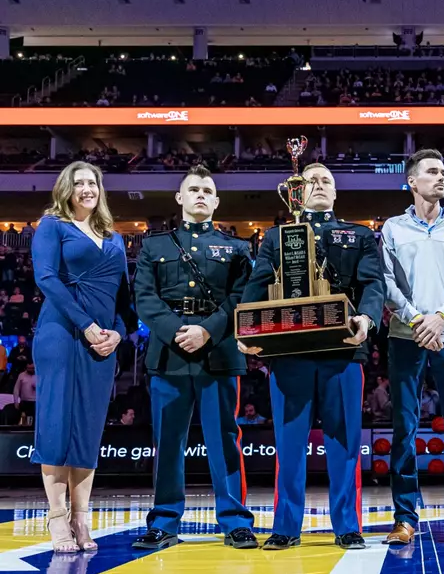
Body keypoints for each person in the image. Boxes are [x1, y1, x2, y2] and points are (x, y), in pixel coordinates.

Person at [239, 162, 385, 550]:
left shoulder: (359, 235)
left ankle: (347, 525)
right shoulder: (276, 237)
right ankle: (286, 527)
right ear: (297, 193)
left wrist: (367, 319)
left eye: (326, 181)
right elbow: (256, 286)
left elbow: (373, 284)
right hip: (289, 352)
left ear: (336, 193)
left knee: (345, 441)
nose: (319, 185)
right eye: (311, 181)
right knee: (288, 443)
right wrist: (245, 332)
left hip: (343, 350)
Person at [132, 165, 257, 552]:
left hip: (217, 351)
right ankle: (164, 521)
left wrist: (207, 330)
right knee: (168, 441)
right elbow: (145, 298)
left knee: (224, 439)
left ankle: (235, 520)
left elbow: (242, 298)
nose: (200, 194)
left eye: (207, 190)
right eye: (194, 189)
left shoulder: (238, 248)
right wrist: (175, 331)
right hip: (169, 354)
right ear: (179, 198)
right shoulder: (154, 245)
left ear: (217, 201)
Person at [380, 149, 444, 547]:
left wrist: (440, 317)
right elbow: (386, 282)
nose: (441, 178)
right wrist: (417, 320)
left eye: (443, 172)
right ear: (412, 181)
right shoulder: (392, 228)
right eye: (432, 172)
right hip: (406, 338)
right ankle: (405, 518)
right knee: (404, 429)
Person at [31, 162, 131, 553]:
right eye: (79, 183)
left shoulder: (115, 238)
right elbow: (46, 279)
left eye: (93, 182)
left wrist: (118, 333)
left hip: (102, 342)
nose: (87, 189)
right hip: (60, 333)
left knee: (88, 428)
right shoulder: (52, 226)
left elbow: (124, 299)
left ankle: (81, 518)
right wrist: (87, 325)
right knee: (57, 421)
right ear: (66, 189)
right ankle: (57, 520)